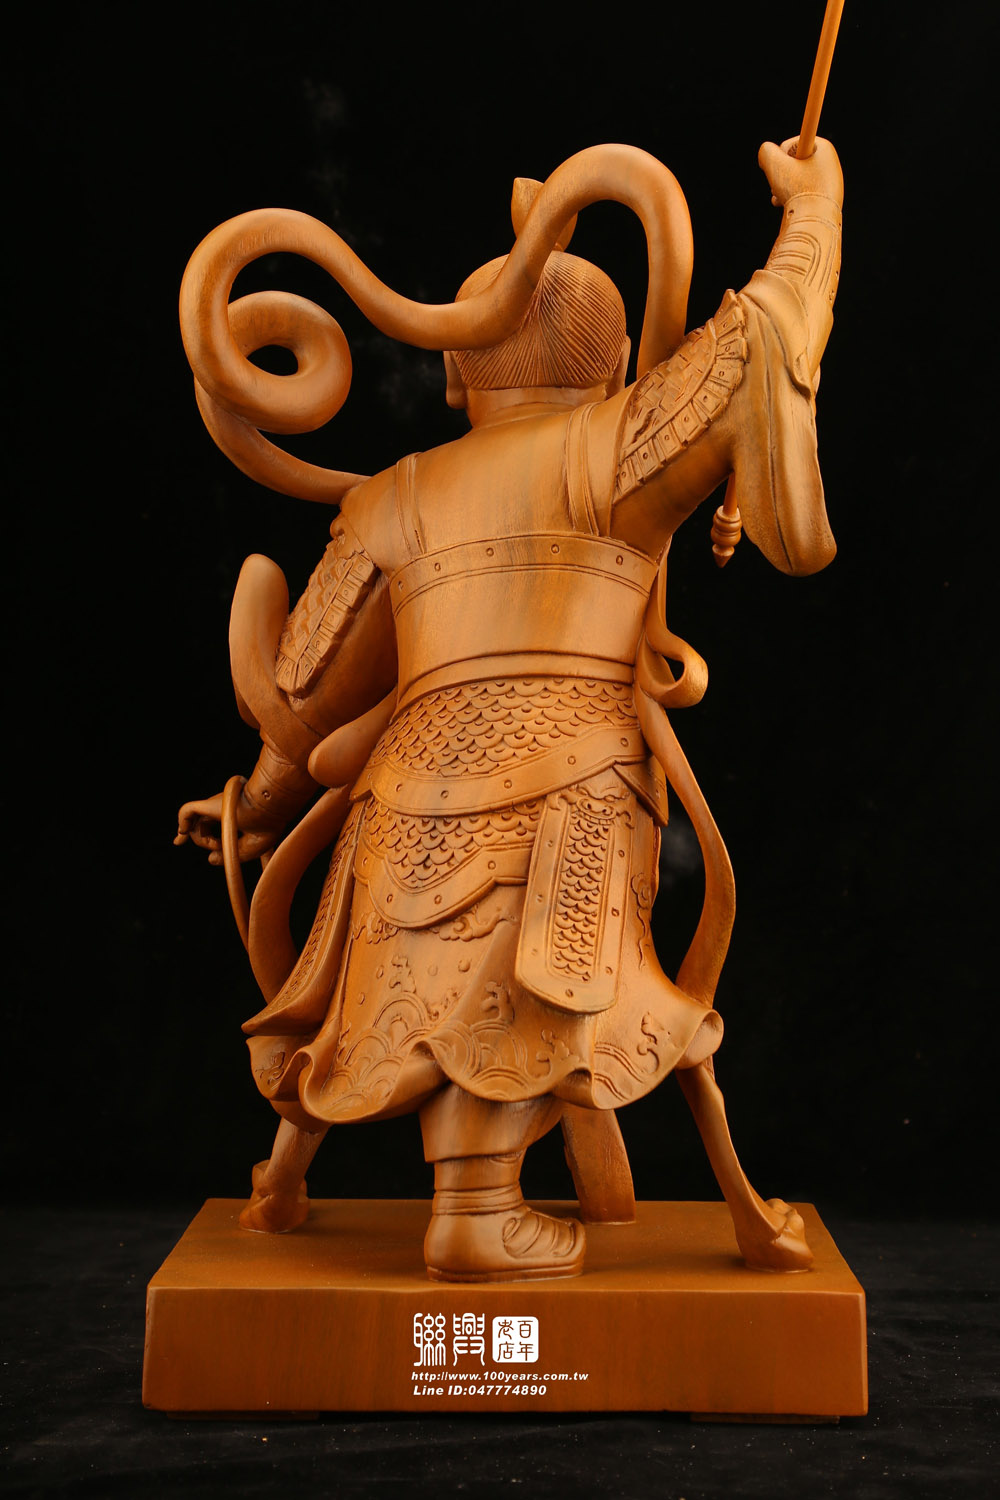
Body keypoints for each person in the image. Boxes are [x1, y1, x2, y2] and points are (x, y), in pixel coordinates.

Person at [178, 136, 843, 1282]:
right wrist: (812, 208)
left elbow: (307, 694)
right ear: (615, 363)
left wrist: (257, 800)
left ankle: (285, 1182)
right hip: (569, 777)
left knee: (403, 987)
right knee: (520, 984)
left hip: (401, 795)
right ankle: (476, 1212)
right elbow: (766, 330)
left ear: (457, 372)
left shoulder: (395, 496)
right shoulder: (622, 441)